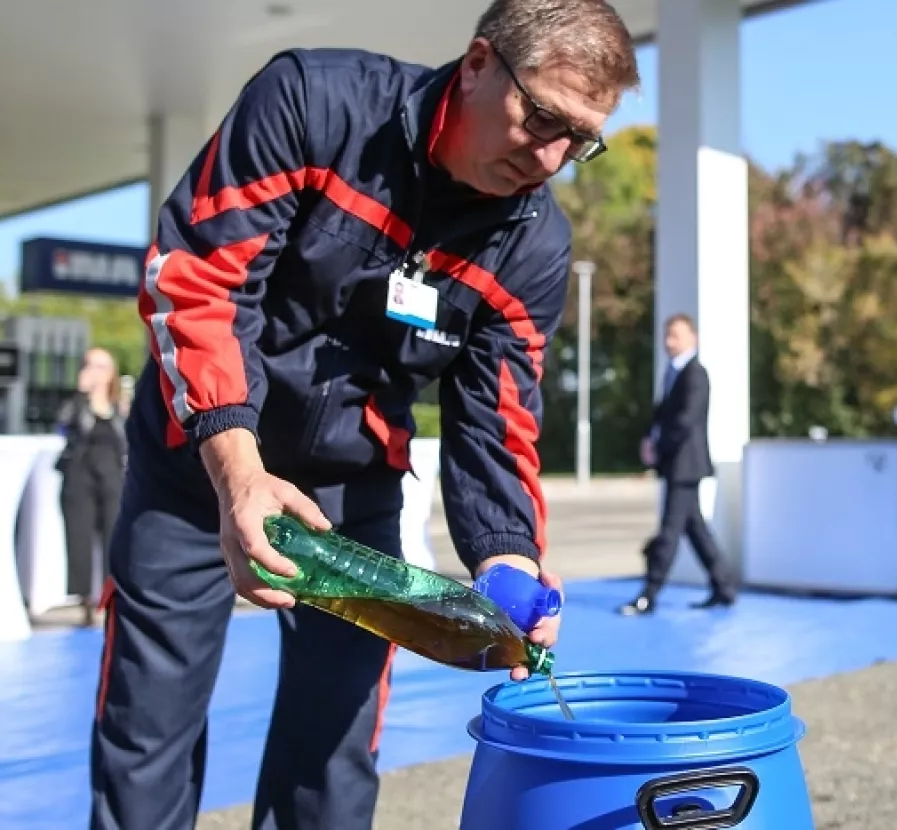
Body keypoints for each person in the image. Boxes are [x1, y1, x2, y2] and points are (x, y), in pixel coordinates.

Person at [90, 2, 639, 828]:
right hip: (199, 457)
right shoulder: (313, 104)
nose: (551, 157)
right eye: (542, 117)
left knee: (335, 750)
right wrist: (239, 470)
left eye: (581, 140)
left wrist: (510, 558)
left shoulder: (534, 243)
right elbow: (201, 281)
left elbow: (498, 419)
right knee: (147, 724)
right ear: (478, 63)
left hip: (354, 486)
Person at [620, 313, 737, 615]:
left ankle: (649, 594)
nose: (669, 341)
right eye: (667, 335)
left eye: (676, 335)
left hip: (686, 466)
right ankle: (724, 586)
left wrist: (660, 448)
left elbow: (685, 420)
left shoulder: (695, 374)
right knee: (695, 528)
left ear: (692, 338)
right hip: (675, 464)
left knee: (670, 531)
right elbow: (662, 415)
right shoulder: (672, 372)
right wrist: (649, 439)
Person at [55, 347, 126, 626]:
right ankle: (84, 599)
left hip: (111, 477)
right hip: (80, 475)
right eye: (90, 365)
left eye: (101, 366)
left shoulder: (119, 407)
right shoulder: (76, 405)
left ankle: (111, 597)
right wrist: (81, 394)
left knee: (113, 540)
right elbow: (62, 426)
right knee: (79, 538)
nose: (95, 372)